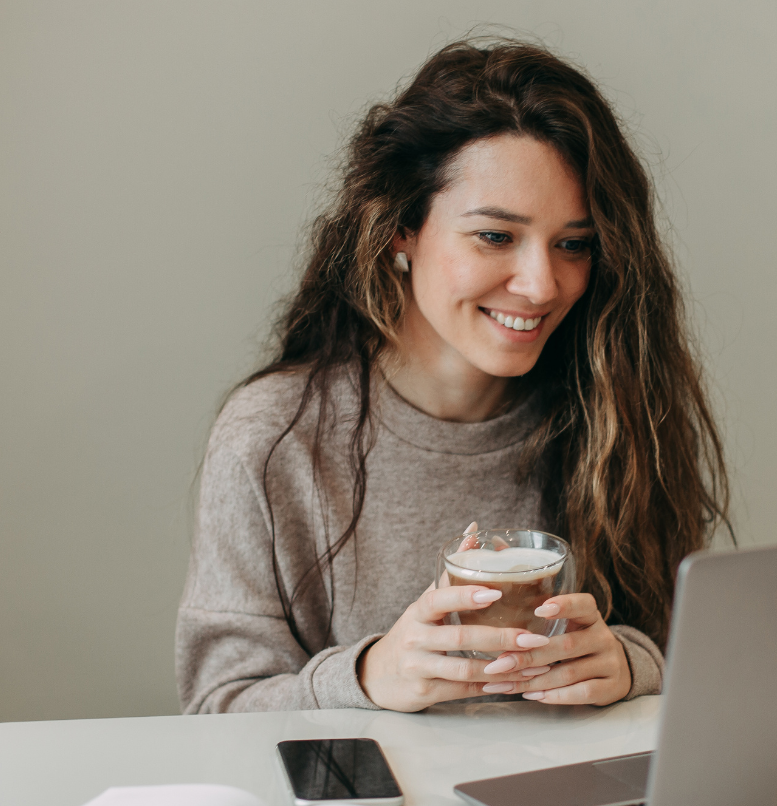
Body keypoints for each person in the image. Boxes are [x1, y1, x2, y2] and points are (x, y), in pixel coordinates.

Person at [176, 38, 730, 715]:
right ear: (401, 228)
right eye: (495, 237)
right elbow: (216, 709)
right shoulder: (271, 439)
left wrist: (629, 662)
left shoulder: (616, 409)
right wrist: (372, 676)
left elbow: (697, 660)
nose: (540, 284)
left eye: (573, 244)